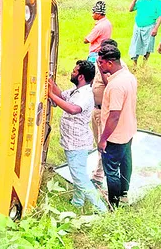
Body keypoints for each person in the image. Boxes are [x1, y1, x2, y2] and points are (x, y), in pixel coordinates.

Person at [48, 60, 108, 213]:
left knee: (80, 178)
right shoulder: (77, 91)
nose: (71, 73)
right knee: (79, 174)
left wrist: (50, 95)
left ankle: (101, 210)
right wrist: (49, 81)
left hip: (77, 143)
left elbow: (74, 109)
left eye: (74, 71)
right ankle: (77, 202)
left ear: (81, 76)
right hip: (75, 141)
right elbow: (62, 95)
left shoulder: (86, 95)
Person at [96, 45, 137, 208]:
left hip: (115, 135)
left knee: (111, 170)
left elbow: (114, 115)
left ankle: (113, 203)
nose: (99, 65)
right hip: (128, 130)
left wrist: (103, 139)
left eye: (101, 62)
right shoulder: (129, 77)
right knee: (126, 162)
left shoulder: (116, 86)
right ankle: (123, 194)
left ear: (110, 63)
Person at [91, 39, 128, 186]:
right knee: (97, 141)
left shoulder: (118, 70)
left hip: (105, 112)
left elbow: (110, 84)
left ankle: (99, 175)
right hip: (95, 109)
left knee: (103, 142)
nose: (99, 60)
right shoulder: (100, 63)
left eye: (102, 58)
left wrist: (101, 68)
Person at [128, 0, 161, 68]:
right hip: (138, 26)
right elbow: (130, 9)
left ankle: (144, 64)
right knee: (135, 45)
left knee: (148, 46)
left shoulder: (158, 2)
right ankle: (134, 64)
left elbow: (160, 16)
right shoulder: (140, 1)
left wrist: (156, 28)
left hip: (150, 26)